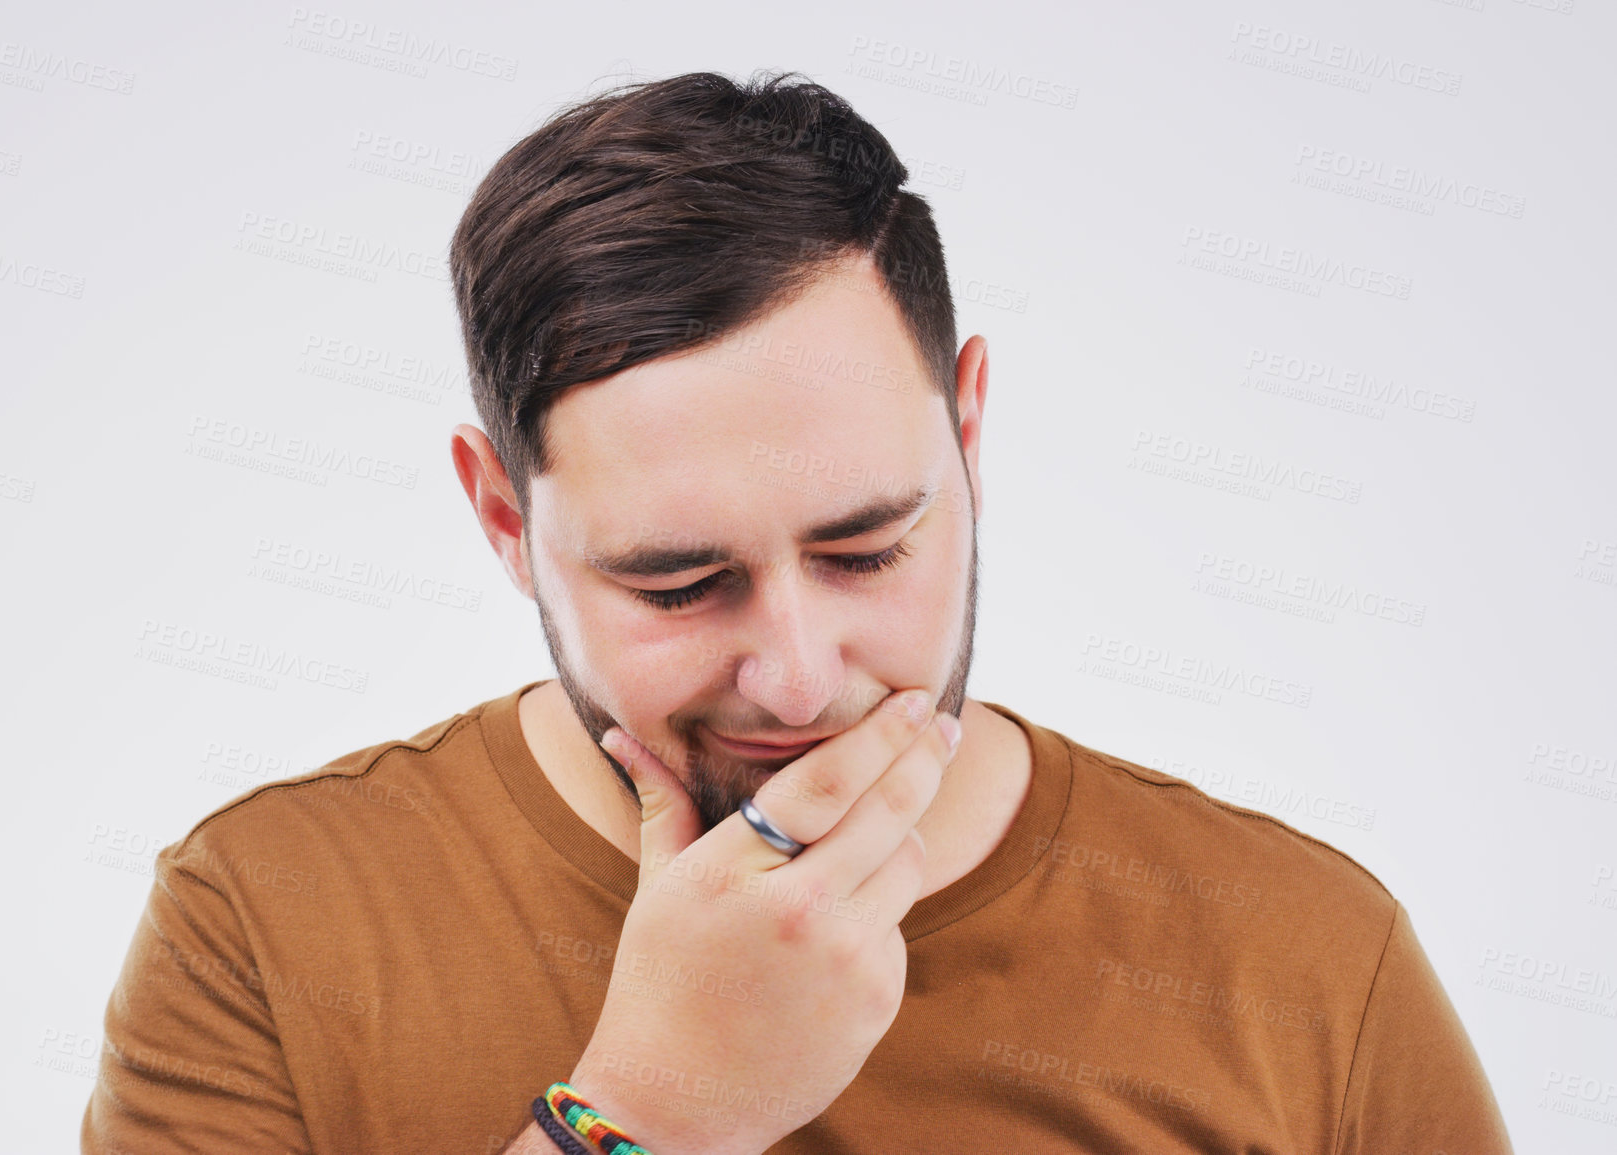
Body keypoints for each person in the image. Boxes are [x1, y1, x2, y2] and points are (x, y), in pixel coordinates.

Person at [81, 69, 1514, 1154]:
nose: (795, 677)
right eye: (679, 583)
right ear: (505, 522)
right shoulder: (266, 924)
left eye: (869, 550)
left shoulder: (1307, 959)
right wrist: (643, 1112)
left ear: (969, 432)